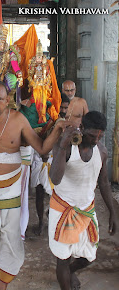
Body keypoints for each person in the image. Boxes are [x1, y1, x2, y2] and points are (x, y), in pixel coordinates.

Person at [0, 80, 71, 290]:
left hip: (10, 190)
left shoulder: (18, 119)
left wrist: (57, 130)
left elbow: (42, 147)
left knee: (10, 236)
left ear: (8, 99)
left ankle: (2, 282)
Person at [49, 111, 116, 290]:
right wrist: (62, 144)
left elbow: (103, 182)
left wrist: (112, 212)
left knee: (88, 256)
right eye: (93, 135)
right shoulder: (67, 147)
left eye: (100, 136)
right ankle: (66, 278)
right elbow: (55, 179)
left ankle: (70, 272)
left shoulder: (101, 151)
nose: (96, 140)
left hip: (86, 210)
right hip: (63, 210)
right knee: (63, 258)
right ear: (82, 128)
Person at [31, 93, 70, 235]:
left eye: (66, 108)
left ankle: (55, 219)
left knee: (58, 194)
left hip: (55, 161)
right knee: (40, 192)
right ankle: (41, 222)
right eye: (62, 107)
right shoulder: (45, 118)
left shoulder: (68, 123)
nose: (64, 111)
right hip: (40, 159)